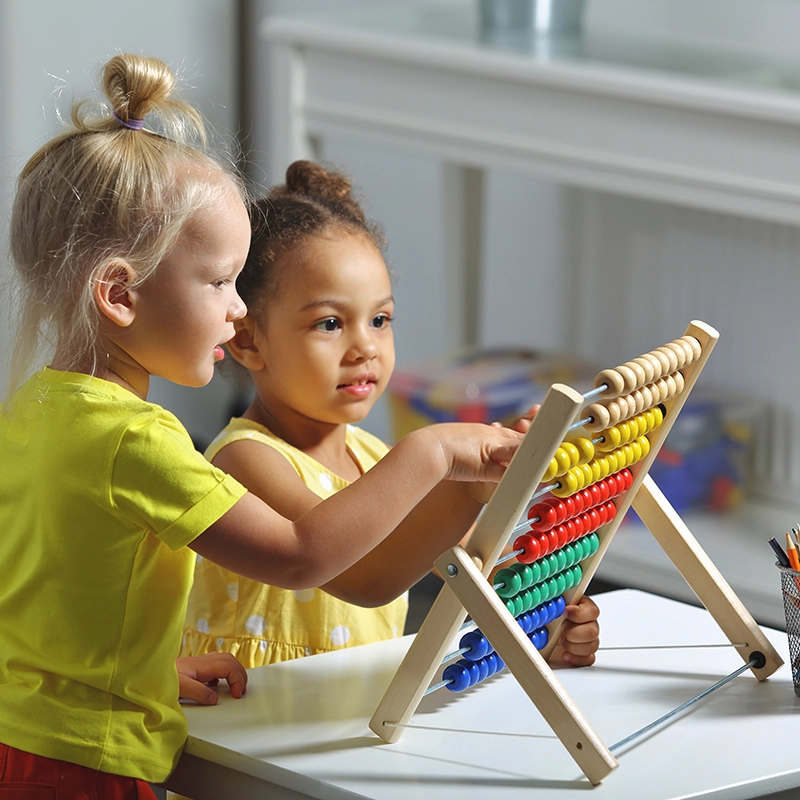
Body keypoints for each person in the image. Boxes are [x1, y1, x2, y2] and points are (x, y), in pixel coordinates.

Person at [0, 54, 526, 796]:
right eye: (219, 283)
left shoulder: (34, 408)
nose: (237, 309)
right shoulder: (136, 438)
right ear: (120, 294)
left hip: (23, 735)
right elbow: (303, 557)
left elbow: (40, 596)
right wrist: (433, 449)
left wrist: (140, 669)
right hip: (85, 765)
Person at [180, 159, 601, 671]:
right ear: (248, 340)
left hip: (351, 709)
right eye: (330, 323)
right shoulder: (244, 462)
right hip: (253, 715)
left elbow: (485, 577)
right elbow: (367, 575)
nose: (366, 348)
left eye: (380, 319)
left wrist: (545, 624)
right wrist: (444, 461)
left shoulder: (373, 458)